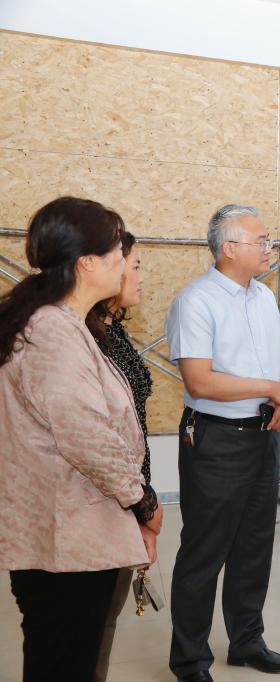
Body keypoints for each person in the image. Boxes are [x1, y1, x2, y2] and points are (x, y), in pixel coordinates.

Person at [0, 196, 160, 681]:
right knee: (64, 662)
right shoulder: (52, 331)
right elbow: (86, 435)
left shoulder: (61, 324)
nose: (125, 265)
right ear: (87, 263)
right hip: (65, 544)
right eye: (118, 254)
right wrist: (142, 500)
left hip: (68, 534)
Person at [165, 204, 280, 682]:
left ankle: (246, 641)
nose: (270, 248)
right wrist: (271, 389)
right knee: (204, 552)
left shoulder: (263, 296)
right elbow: (200, 381)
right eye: (261, 241)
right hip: (216, 440)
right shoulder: (195, 301)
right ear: (229, 248)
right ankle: (190, 660)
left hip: (264, 433)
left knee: (254, 547)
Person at [89, 231, 155, 681]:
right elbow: (98, 440)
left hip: (127, 495)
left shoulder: (111, 331)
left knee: (102, 621)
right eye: (133, 265)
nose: (140, 276)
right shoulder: (86, 340)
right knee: (89, 627)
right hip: (107, 500)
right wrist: (143, 505)